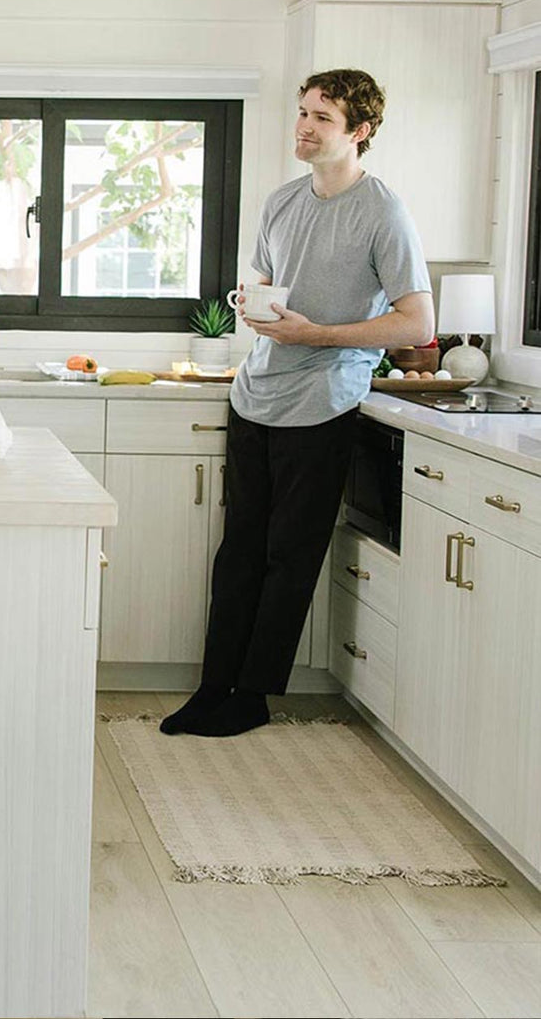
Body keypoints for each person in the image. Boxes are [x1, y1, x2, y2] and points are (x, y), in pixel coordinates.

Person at [161, 68, 434, 737]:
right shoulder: (282, 201)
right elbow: (264, 281)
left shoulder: (383, 213)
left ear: (360, 133)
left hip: (324, 402)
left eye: (324, 118)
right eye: (304, 112)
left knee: (290, 554)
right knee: (238, 552)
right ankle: (212, 686)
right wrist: (256, 306)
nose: (305, 127)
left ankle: (252, 696)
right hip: (256, 395)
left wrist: (319, 335)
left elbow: (417, 323)